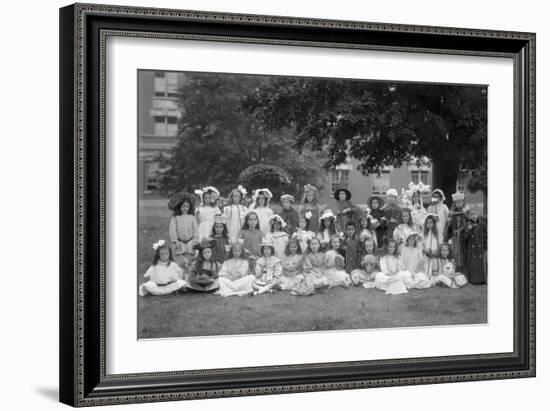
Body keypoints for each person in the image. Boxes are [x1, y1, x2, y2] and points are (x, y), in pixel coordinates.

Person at [168, 192, 199, 268]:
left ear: (189, 208)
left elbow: (195, 229)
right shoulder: (176, 217)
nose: (185, 208)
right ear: (179, 207)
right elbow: (172, 229)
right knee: (179, 261)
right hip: (179, 242)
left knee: (190, 261)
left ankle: (188, 275)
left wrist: (195, 241)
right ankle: (179, 275)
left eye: (187, 207)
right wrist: (175, 241)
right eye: (183, 206)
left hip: (190, 242)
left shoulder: (192, 217)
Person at [461, 207, 487, 284]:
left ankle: (482, 279)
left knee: (481, 264)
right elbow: (463, 238)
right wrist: (468, 230)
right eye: (471, 214)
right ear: (469, 216)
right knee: (473, 264)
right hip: (471, 250)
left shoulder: (482, 224)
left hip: (480, 248)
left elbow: (486, 236)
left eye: (475, 214)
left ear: (478, 214)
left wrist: (486, 247)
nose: (473, 216)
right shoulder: (467, 225)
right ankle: (473, 280)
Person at [445, 191, 469, 272]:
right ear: (454, 203)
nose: (458, 204)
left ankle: (463, 270)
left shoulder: (466, 212)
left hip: (463, 236)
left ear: (463, 202)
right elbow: (449, 225)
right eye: (457, 202)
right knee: (455, 252)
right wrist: (449, 218)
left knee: (463, 252)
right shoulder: (452, 212)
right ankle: (455, 269)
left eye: (460, 202)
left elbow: (468, 221)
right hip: (455, 236)